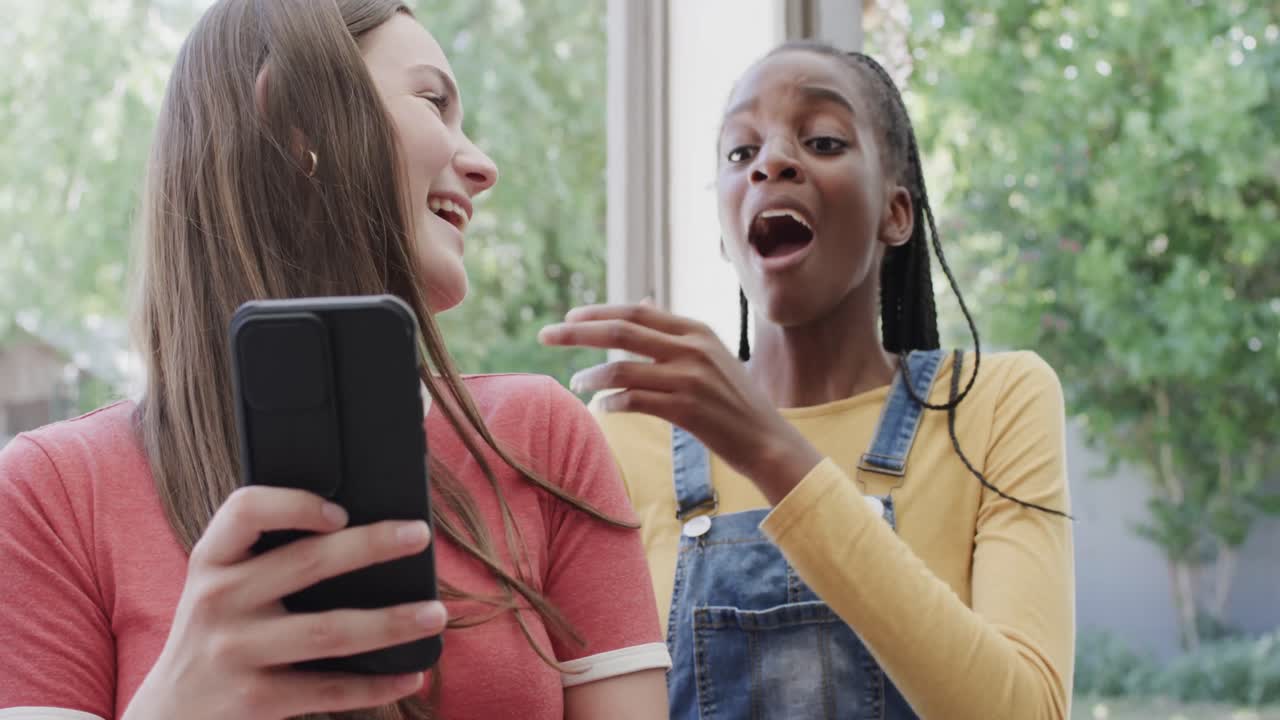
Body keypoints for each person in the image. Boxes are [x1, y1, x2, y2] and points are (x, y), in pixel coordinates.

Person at [0, 1, 669, 719]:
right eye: (433, 102)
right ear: (294, 119)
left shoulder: (540, 436)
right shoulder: (54, 491)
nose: (483, 165)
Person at [540, 42, 1075, 720]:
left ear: (896, 212)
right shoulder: (624, 434)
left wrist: (770, 449)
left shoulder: (996, 404)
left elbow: (1026, 711)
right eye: (740, 153)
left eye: (823, 140)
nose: (772, 162)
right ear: (724, 229)